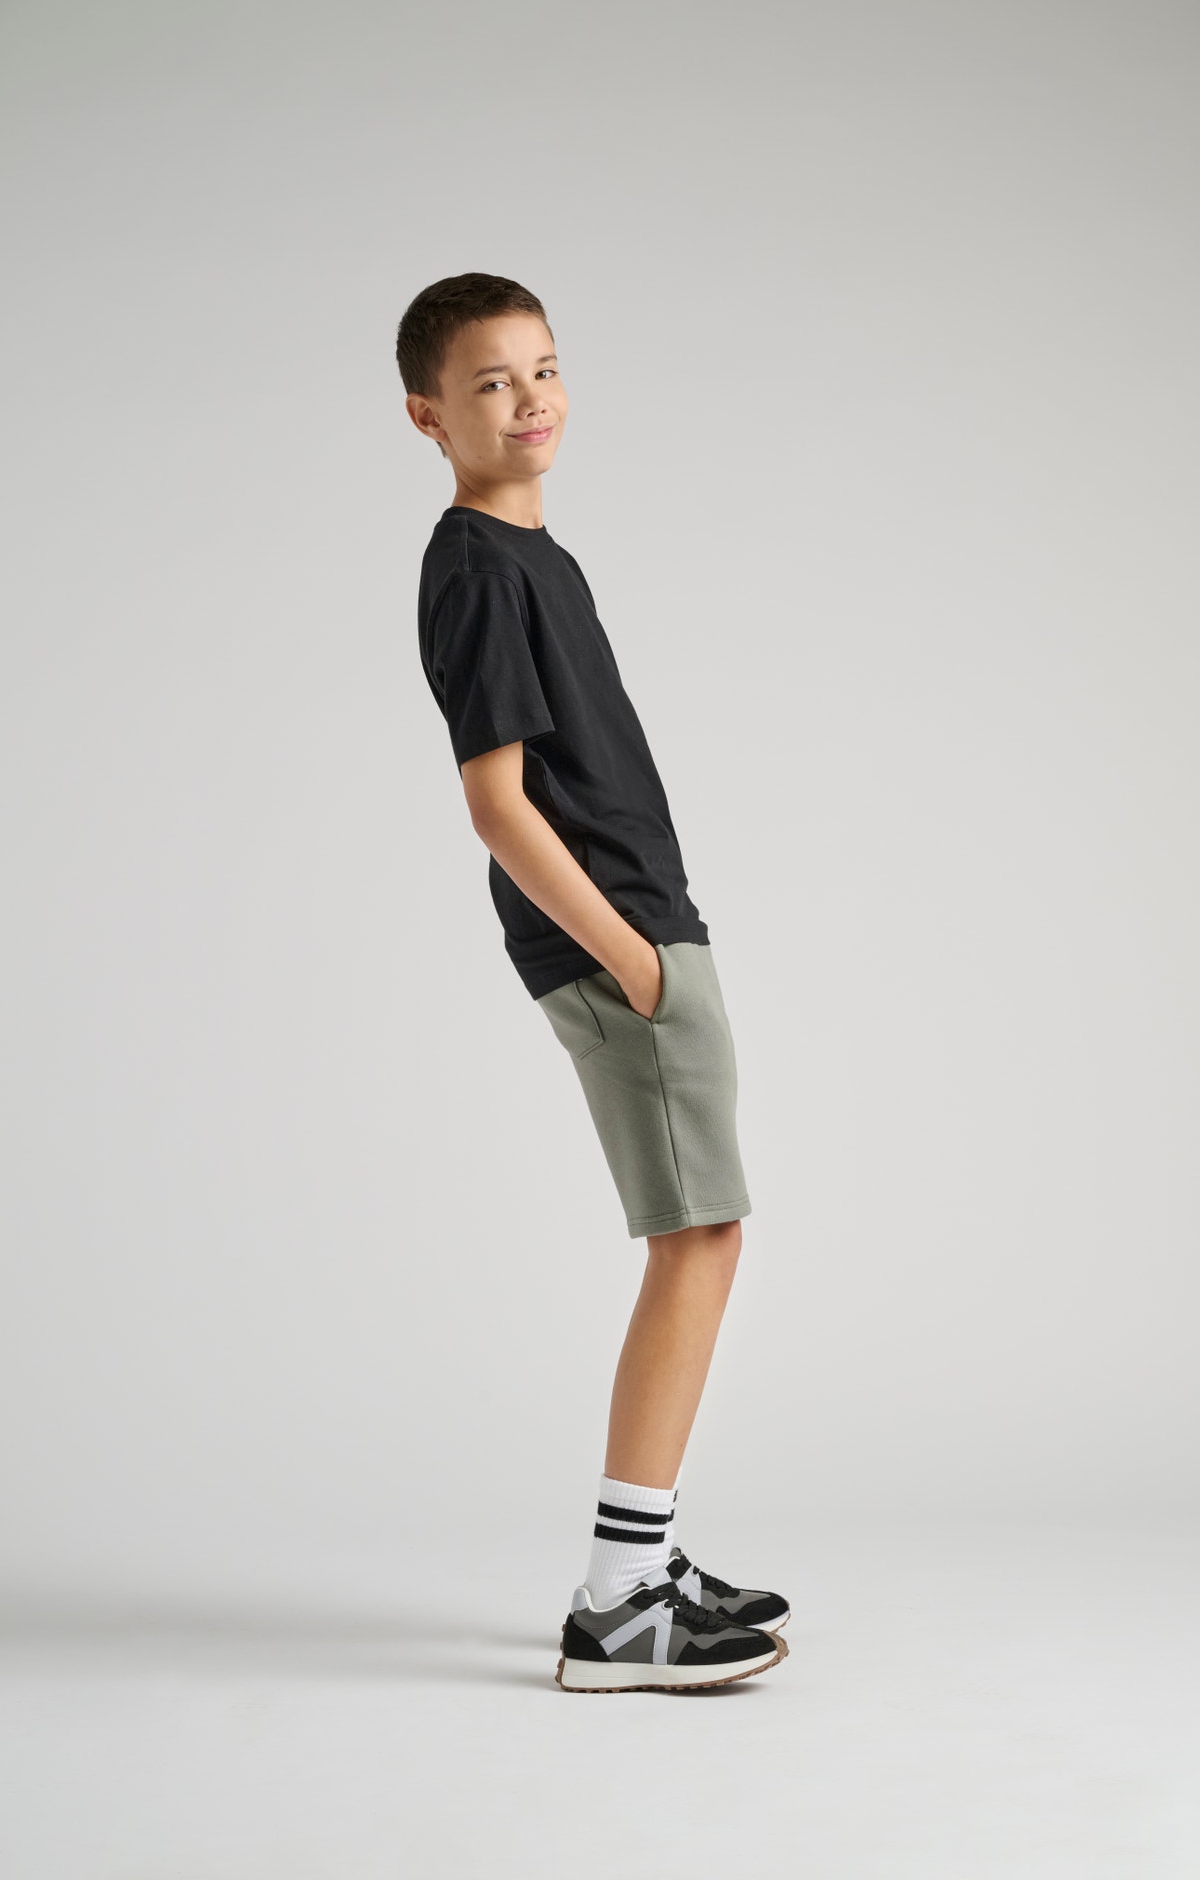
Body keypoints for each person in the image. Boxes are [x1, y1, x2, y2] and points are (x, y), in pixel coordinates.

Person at [396, 272, 790, 1693]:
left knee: (702, 1229)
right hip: (618, 944)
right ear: (428, 416)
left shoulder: (533, 556)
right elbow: (496, 803)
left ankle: (646, 1561)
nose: (530, 400)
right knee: (700, 1236)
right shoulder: (476, 567)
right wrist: (631, 959)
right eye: (492, 382)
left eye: (546, 368)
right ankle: (622, 1603)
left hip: (646, 929)